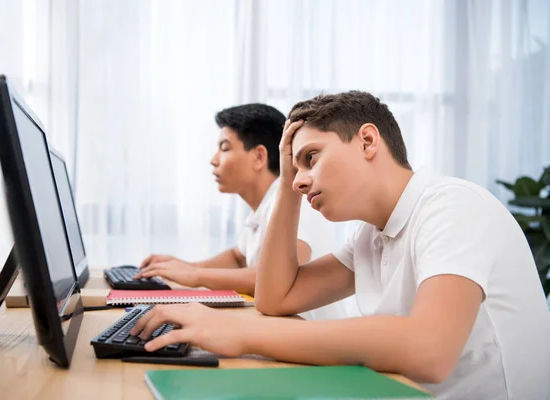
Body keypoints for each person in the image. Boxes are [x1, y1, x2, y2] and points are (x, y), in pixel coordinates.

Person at [131, 91, 550, 399]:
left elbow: (429, 349)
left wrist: (242, 332)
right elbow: (277, 298)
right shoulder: (370, 235)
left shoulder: (452, 206)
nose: (298, 179)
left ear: (368, 141)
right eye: (295, 168)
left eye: (312, 158)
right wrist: (288, 179)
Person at [135, 103, 353, 320]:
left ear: (259, 157)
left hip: (311, 338)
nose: (214, 160)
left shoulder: (295, 201)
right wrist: (184, 268)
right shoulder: (264, 206)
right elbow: (238, 258)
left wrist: (195, 275)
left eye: (225, 147)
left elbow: (282, 275)